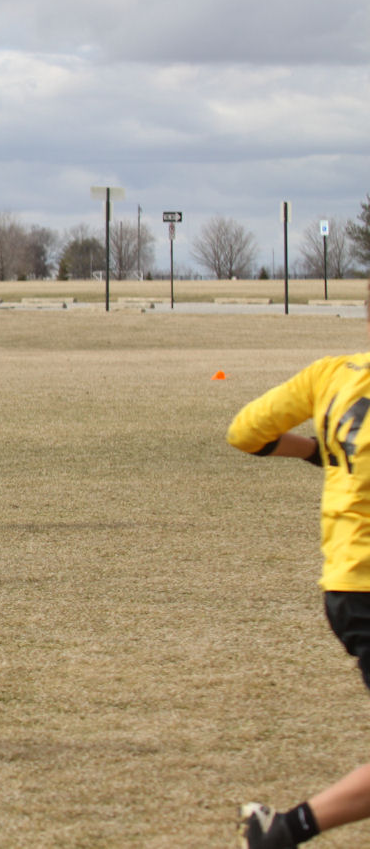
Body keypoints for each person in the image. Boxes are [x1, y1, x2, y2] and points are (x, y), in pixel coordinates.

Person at [228, 285, 370, 848]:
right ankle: (281, 832)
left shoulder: (331, 374)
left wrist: (318, 451)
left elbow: (245, 433)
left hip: (346, 588)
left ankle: (282, 831)